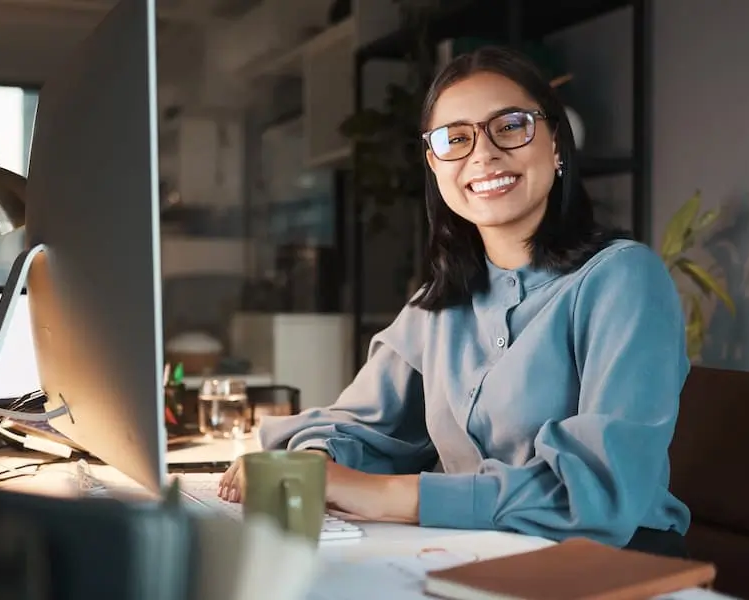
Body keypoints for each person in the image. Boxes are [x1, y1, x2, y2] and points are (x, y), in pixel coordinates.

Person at [219, 46, 692, 557]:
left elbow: (599, 495)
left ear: (556, 143)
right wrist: (310, 464)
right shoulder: (439, 302)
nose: (483, 154)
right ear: (436, 166)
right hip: (479, 553)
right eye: (456, 139)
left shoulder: (622, 278)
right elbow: (357, 423)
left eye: (510, 126)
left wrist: (386, 495)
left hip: (612, 567)